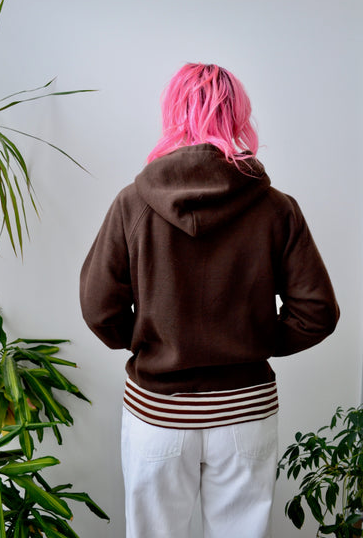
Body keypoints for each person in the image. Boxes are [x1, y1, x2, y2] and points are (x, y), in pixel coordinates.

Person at [79, 63, 339, 538]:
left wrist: (148, 340)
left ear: (172, 113)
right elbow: (317, 312)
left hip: (159, 411)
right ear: (238, 115)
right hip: (245, 410)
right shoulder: (276, 207)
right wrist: (253, 340)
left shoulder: (132, 204)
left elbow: (100, 308)